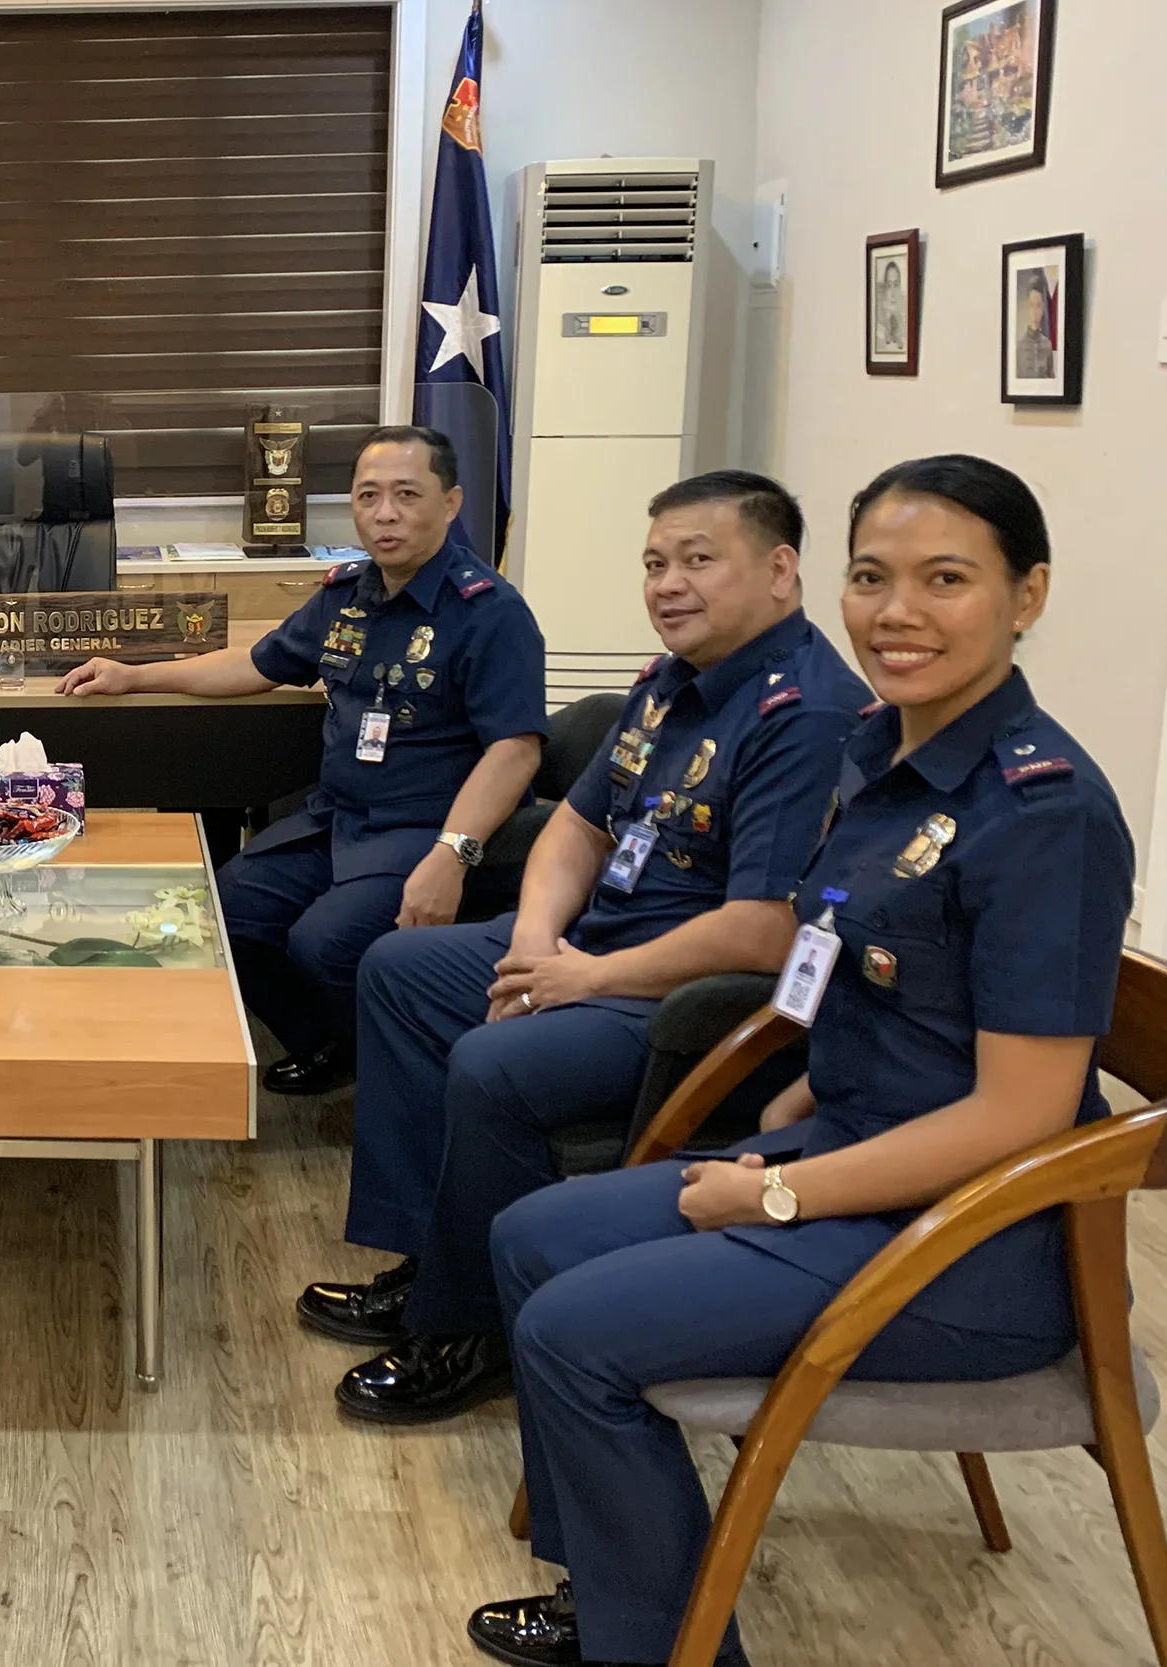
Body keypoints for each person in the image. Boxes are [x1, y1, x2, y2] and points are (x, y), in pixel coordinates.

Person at [463, 456, 1130, 1667]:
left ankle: (659, 1644)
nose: (897, 613)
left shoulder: (1042, 814)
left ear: (1025, 595)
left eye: (946, 580)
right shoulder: (881, 750)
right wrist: (813, 1080)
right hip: (854, 1155)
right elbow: (865, 959)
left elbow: (1026, 1116)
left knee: (571, 1329)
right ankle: (610, 1586)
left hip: (964, 1245)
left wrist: (774, 1190)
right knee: (530, 1234)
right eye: (872, 577)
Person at [302, 470, 869, 1423]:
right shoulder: (668, 683)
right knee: (399, 967)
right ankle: (433, 1260)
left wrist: (582, 976)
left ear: (781, 571)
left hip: (690, 992)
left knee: (494, 1062)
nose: (668, 585)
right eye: (655, 564)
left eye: (698, 560)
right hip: (593, 949)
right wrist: (533, 945)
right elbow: (575, 826)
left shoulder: (802, 713)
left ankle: (473, 1330)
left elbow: (768, 927)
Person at [58, 426, 546, 1094]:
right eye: (368, 495)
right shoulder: (348, 593)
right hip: (339, 818)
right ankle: (331, 1044)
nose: (385, 514)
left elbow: (516, 750)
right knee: (225, 909)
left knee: (324, 944)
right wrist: (135, 675)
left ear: (452, 502)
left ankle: (416, 1082)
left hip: (424, 827)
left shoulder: (491, 613)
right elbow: (257, 664)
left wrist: (451, 855)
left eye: (407, 495)